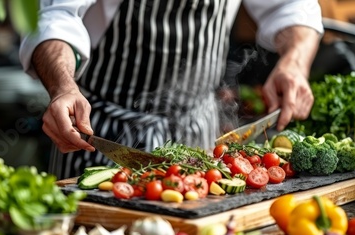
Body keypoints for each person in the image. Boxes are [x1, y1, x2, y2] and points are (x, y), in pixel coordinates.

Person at [19, 0, 324, 178]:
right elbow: (54, 16)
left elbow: (291, 6)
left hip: (198, 137)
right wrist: (63, 87)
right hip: (98, 136)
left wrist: (294, 63)